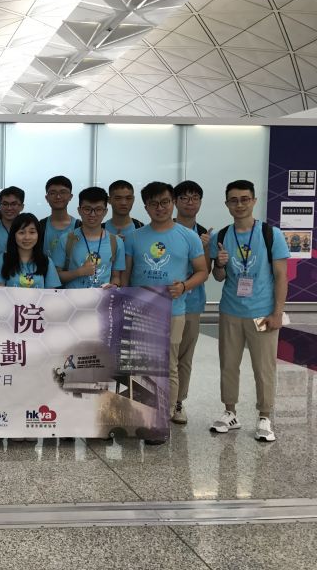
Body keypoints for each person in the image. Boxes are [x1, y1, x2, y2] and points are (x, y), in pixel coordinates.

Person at [124, 181, 208, 435]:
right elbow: (126, 277)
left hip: (173, 311)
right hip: (140, 312)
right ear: (146, 207)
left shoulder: (188, 236)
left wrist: (184, 286)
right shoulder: (134, 237)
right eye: (153, 204)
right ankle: (139, 411)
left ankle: (164, 415)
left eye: (164, 202)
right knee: (139, 364)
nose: (160, 208)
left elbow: (202, 271)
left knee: (168, 365)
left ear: (172, 203)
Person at [209, 180, 289, 442]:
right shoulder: (221, 236)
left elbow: (281, 276)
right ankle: (230, 413)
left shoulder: (270, 234)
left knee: (263, 367)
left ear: (254, 201)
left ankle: (264, 416)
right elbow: (218, 277)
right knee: (228, 364)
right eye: (234, 200)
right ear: (227, 204)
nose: (239, 204)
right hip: (230, 310)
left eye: (245, 199)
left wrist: (277, 312)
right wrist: (219, 265)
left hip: (262, 312)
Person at [172, 180, 212, 424]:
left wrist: (205, 247)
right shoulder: (163, 229)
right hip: (164, 302)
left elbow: (206, 271)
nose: (190, 202)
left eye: (195, 198)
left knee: (184, 356)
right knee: (159, 355)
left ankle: (178, 402)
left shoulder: (205, 233)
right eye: (184, 198)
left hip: (192, 303)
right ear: (175, 201)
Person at [53, 187, 124, 289]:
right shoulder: (66, 239)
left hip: (102, 298)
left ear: (105, 212)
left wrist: (114, 285)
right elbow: (55, 276)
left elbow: (116, 276)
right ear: (79, 210)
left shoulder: (116, 242)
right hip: (72, 298)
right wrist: (79, 272)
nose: (92, 214)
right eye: (87, 209)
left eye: (98, 209)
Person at [0, 213, 60, 289]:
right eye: (21, 232)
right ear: (13, 235)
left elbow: (51, 293)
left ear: (38, 234)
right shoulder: (2, 259)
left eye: (32, 232)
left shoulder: (46, 261)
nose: (27, 237)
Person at [41, 176, 80, 257]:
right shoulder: (40, 226)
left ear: (70, 196)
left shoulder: (79, 226)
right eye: (53, 193)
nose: (58, 197)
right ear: (47, 198)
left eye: (63, 192)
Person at [0, 186, 25, 255]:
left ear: (22, 207)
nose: (9, 208)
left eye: (13, 204)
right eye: (5, 204)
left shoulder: (29, 229)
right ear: (0, 205)